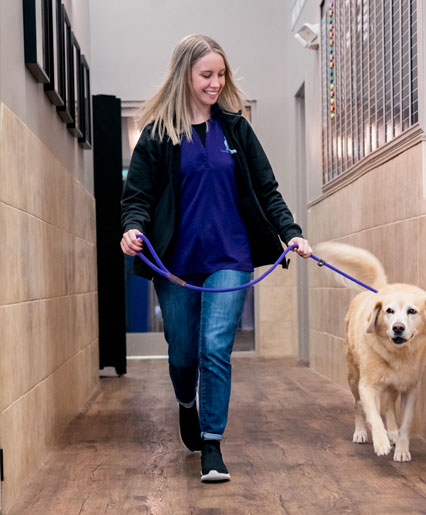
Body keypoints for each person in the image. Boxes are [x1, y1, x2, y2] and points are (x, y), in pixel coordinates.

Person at [120, 34, 311, 483]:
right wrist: (132, 228)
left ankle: (212, 444)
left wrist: (292, 233)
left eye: (221, 74)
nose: (215, 83)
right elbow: (138, 196)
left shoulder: (236, 129)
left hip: (231, 257)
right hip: (176, 263)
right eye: (207, 74)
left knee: (215, 348)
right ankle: (186, 401)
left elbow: (267, 189)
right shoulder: (158, 134)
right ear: (184, 74)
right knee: (184, 355)